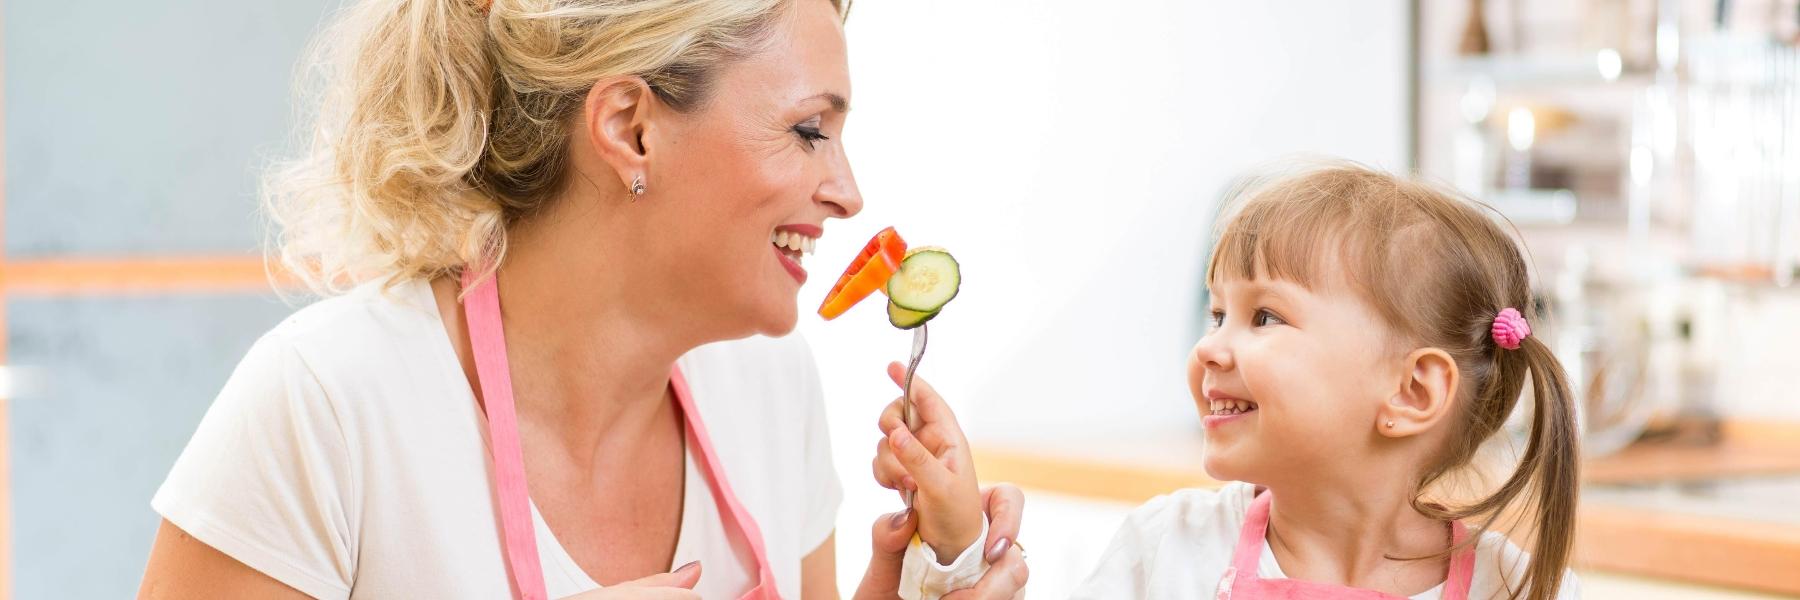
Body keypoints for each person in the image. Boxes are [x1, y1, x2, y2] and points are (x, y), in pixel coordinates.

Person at [137, 0, 1026, 597]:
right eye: (807, 131)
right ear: (630, 129)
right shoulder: (328, 406)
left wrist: (927, 576)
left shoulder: (768, 386)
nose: (846, 191)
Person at [876, 162, 1581, 599]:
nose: (1210, 347)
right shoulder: (1168, 550)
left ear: (1412, 393)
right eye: (1217, 314)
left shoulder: (1516, 589)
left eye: (1264, 316)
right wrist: (961, 539)